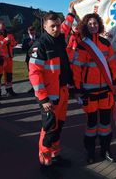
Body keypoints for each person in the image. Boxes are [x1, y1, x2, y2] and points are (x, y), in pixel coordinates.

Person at [29, 12, 74, 177]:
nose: (56, 29)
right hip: (49, 96)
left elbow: (66, 27)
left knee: (58, 127)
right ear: (45, 27)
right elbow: (34, 74)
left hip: (62, 91)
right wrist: (43, 98)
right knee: (48, 130)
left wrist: (71, 14)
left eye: (57, 25)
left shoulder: (60, 38)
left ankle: (55, 157)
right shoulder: (40, 45)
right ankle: (45, 163)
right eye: (52, 26)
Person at [72, 13, 116, 164]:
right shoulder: (82, 45)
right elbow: (77, 70)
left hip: (105, 92)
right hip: (88, 93)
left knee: (105, 124)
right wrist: (78, 90)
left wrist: (115, 83)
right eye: (90, 23)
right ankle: (90, 152)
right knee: (91, 125)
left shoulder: (106, 43)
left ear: (99, 25)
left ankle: (106, 150)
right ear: (85, 26)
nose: (93, 26)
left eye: (95, 23)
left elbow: (112, 66)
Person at [0, 19, 18, 98]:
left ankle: (9, 90)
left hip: (9, 58)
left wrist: (11, 42)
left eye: (4, 24)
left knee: (9, 75)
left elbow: (14, 43)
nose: (4, 25)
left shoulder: (9, 34)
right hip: (1, 58)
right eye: (2, 24)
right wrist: (5, 41)